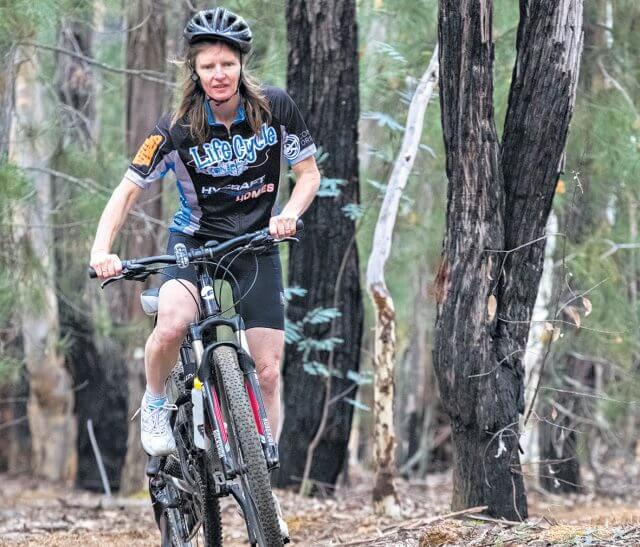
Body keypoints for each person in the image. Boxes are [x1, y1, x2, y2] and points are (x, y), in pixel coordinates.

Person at [89, 6, 320, 525]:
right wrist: (101, 250)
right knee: (171, 323)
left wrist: (288, 213)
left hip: (256, 246)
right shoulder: (173, 128)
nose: (219, 74)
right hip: (191, 246)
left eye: (227, 64)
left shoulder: (276, 109)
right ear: (194, 69)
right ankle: (155, 402)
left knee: (267, 372)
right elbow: (127, 192)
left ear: (241, 65)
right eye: (208, 65)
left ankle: (262, 483)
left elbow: (308, 175)